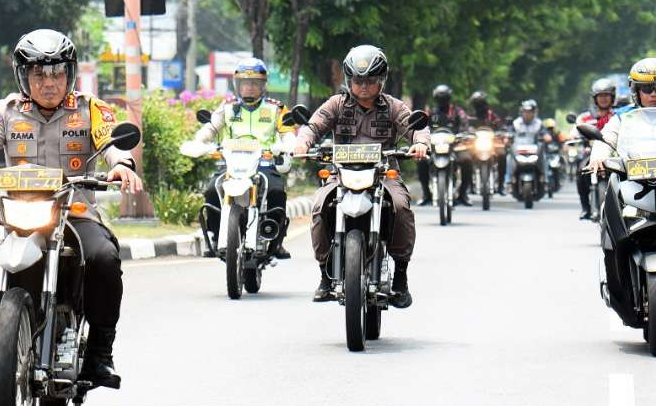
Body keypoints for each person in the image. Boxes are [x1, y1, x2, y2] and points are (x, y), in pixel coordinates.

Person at [0, 29, 143, 389]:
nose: (49, 83)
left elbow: (111, 144)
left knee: (105, 259)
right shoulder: (9, 111)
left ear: (70, 74)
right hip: (16, 216)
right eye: (38, 74)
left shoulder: (90, 108)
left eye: (57, 74)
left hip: (74, 213)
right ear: (23, 77)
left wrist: (122, 164)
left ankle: (99, 354)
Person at [293, 44, 430, 307]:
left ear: (381, 81)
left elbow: (416, 129)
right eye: (358, 81)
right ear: (349, 80)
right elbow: (314, 125)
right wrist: (302, 142)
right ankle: (324, 274)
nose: (364, 87)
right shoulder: (336, 104)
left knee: (401, 207)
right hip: (340, 175)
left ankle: (401, 276)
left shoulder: (393, 107)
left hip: (383, 175)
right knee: (320, 206)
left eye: (370, 81)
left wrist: (421, 143)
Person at [186, 57, 295, 259]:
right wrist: (199, 142)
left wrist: (287, 144)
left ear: (263, 85)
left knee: (277, 191)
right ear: (238, 85)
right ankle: (215, 233)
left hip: (263, 162)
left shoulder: (276, 108)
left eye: (254, 83)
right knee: (211, 189)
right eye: (245, 83)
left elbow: (287, 132)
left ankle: (276, 240)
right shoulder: (227, 107)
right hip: (232, 163)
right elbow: (210, 128)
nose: (250, 87)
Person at [588, 58, 656, 171]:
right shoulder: (622, 117)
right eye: (647, 88)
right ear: (636, 91)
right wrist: (598, 158)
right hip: (628, 179)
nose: (654, 94)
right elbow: (606, 139)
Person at [417, 84, 473, 206]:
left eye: (445, 98)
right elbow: (422, 127)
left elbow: (465, 126)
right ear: (435, 98)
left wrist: (465, 135)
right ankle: (426, 194)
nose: (442, 101)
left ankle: (463, 194)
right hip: (434, 147)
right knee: (421, 161)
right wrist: (421, 138)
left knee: (467, 160)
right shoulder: (430, 112)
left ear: (449, 98)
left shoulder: (458, 112)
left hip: (455, 146)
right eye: (439, 98)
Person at [574, 77, 616, 219]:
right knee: (580, 171)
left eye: (607, 95)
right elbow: (574, 132)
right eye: (600, 96)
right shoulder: (585, 118)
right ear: (595, 98)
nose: (603, 99)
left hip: (614, 155)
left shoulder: (618, 116)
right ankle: (585, 207)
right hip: (590, 154)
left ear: (612, 97)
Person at [504, 99, 551, 189]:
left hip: (534, 150)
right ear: (521, 112)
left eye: (530, 112)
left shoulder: (539, 124)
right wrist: (507, 139)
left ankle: (545, 178)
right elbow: (509, 133)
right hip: (519, 149)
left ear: (534, 112)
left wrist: (546, 137)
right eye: (525, 111)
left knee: (544, 157)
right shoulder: (516, 123)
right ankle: (508, 180)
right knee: (508, 158)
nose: (527, 114)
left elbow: (546, 134)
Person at [467, 91, 506, 194]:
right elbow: (465, 128)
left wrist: (502, 131)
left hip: (492, 143)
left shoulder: (491, 116)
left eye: (480, 102)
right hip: (475, 144)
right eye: (476, 103)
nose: (479, 105)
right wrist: (468, 133)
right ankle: (469, 185)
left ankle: (501, 186)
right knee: (466, 158)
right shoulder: (470, 117)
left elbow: (501, 126)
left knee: (502, 154)